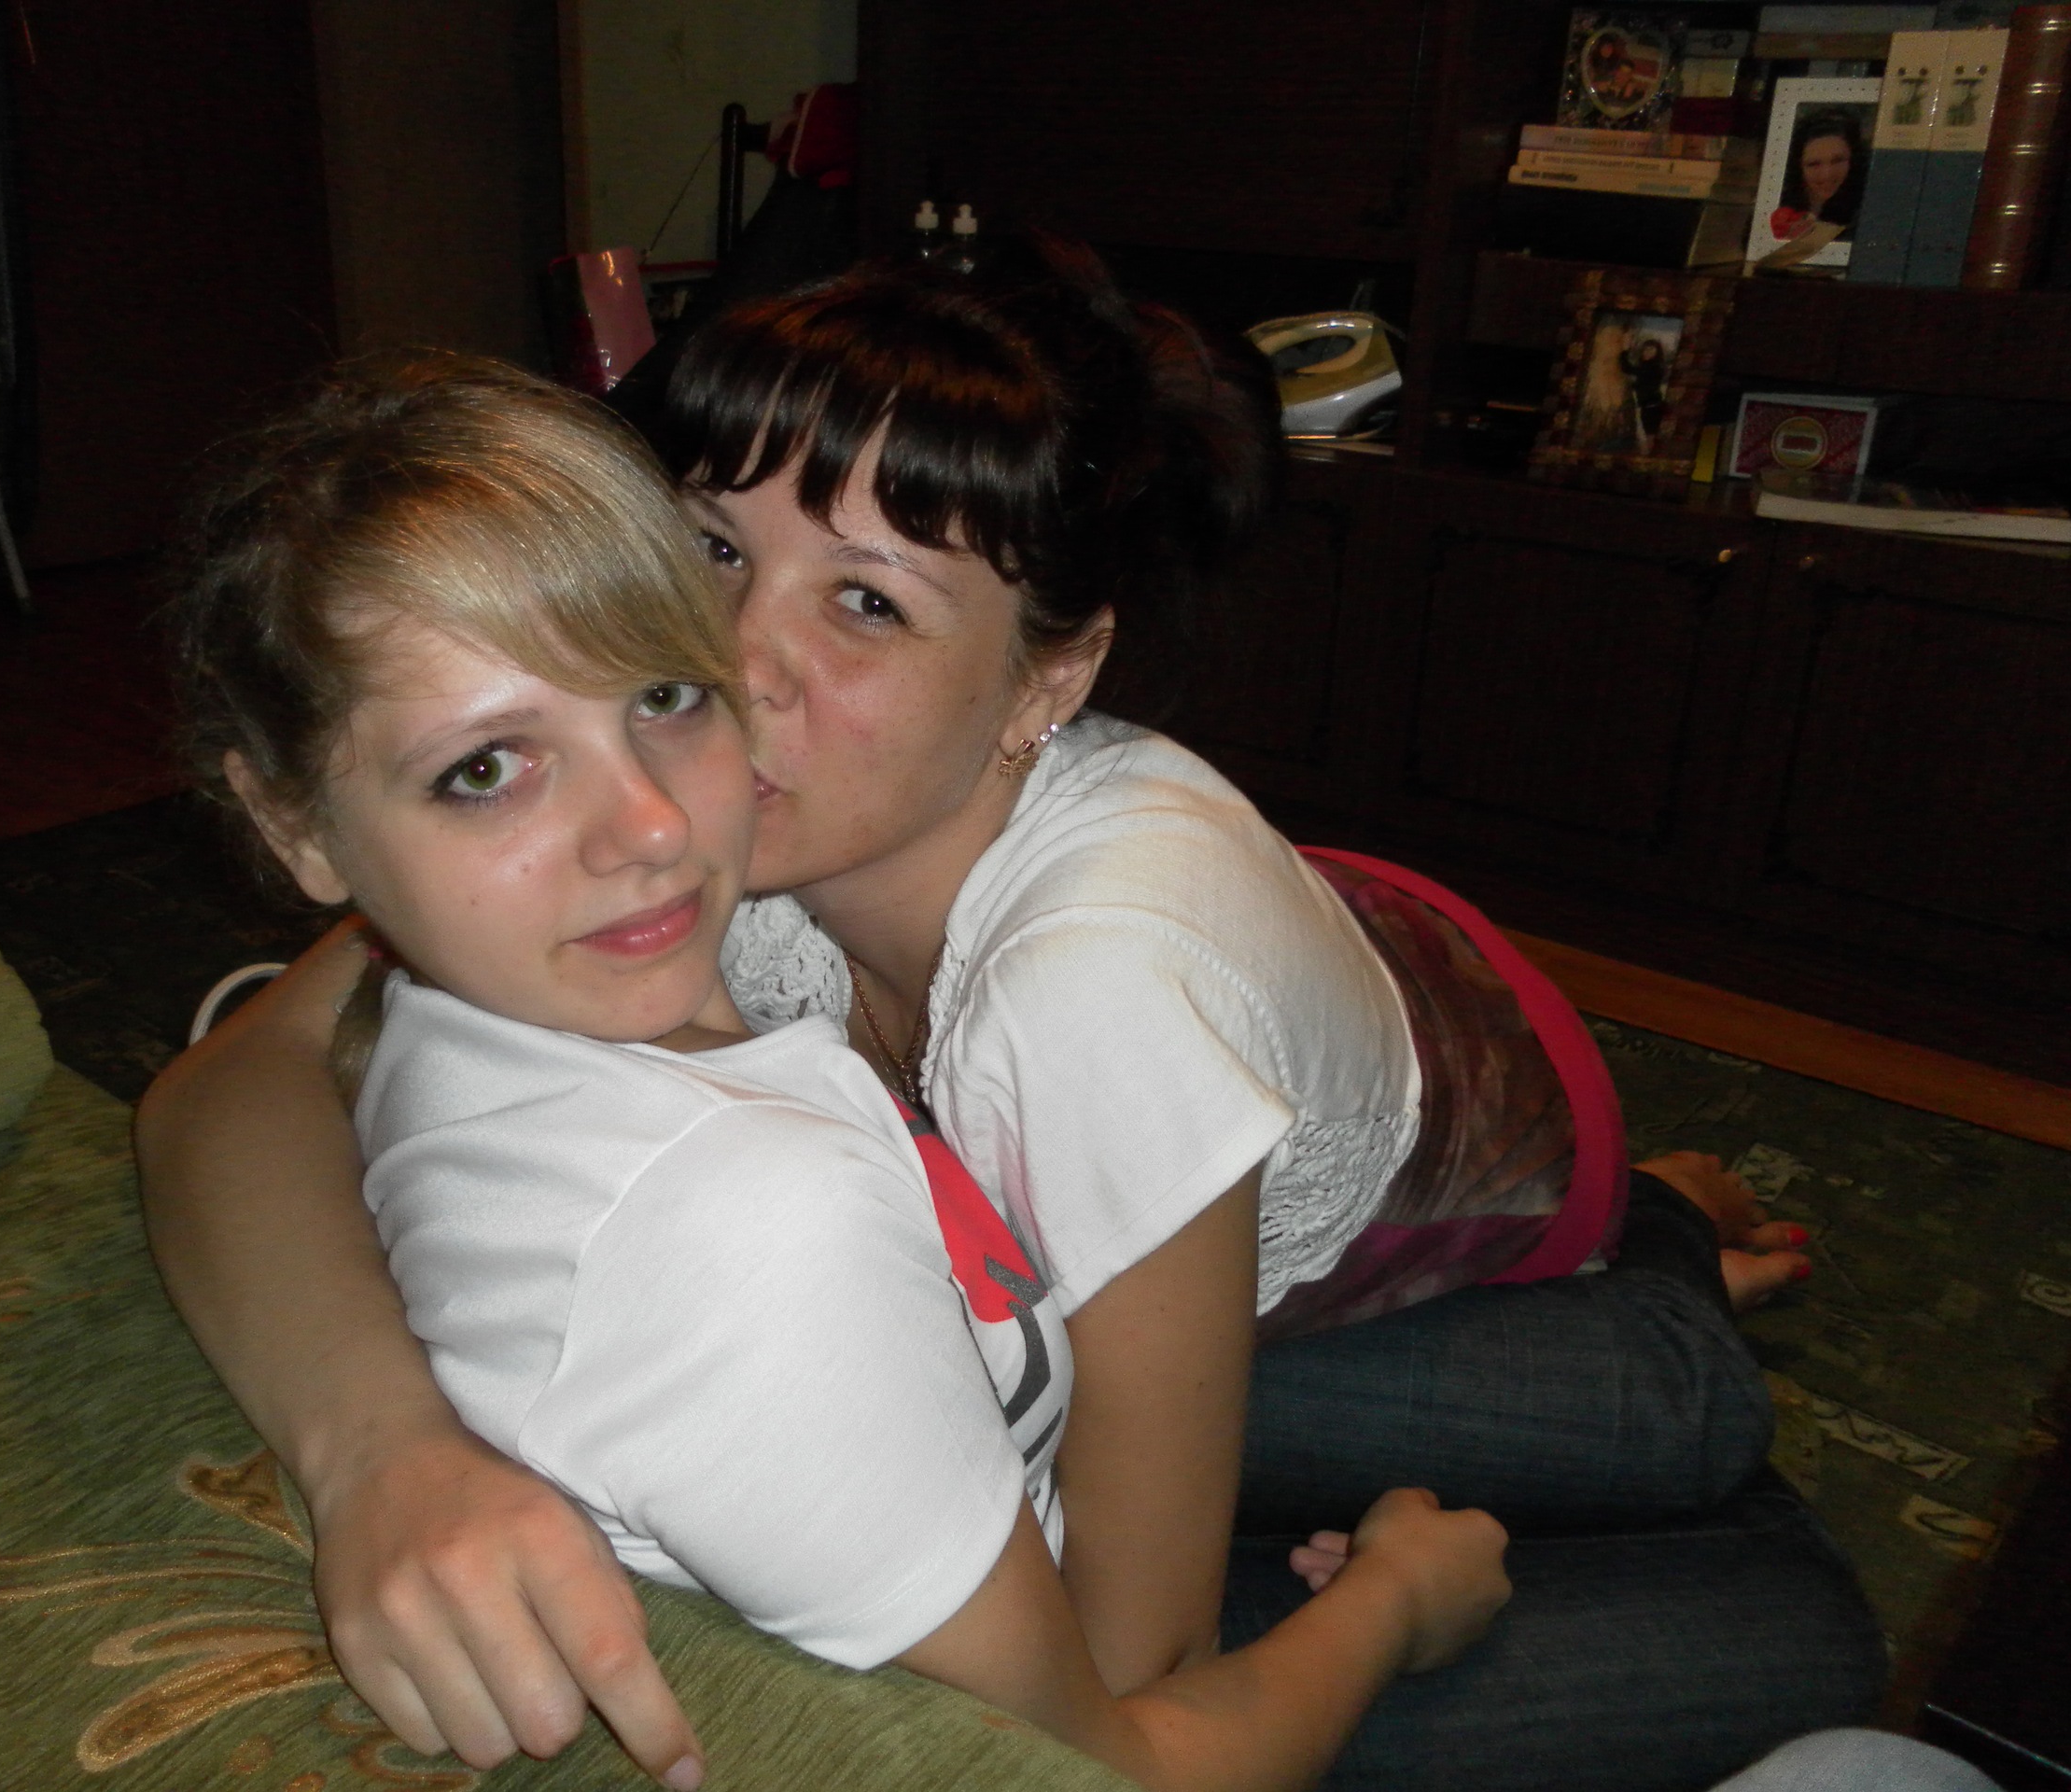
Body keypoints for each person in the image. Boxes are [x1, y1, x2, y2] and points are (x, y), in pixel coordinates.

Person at [137, 245, 1882, 1792]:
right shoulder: (647, 798)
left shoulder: (1091, 995)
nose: (734, 662)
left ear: (1050, 675)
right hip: (1189, 1102)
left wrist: (1381, 1615)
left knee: (1707, 1467)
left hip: (1442, 1170)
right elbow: (231, 1086)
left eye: (867, 602)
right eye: (709, 550)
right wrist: (383, 1454)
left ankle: (1661, 1250)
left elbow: (1127, 1683)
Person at [1771, 112, 1867, 241]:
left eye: (1838, 161)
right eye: (1813, 164)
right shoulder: (1775, 204)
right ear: (1798, 167)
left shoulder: (1864, 212)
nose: (1826, 174)